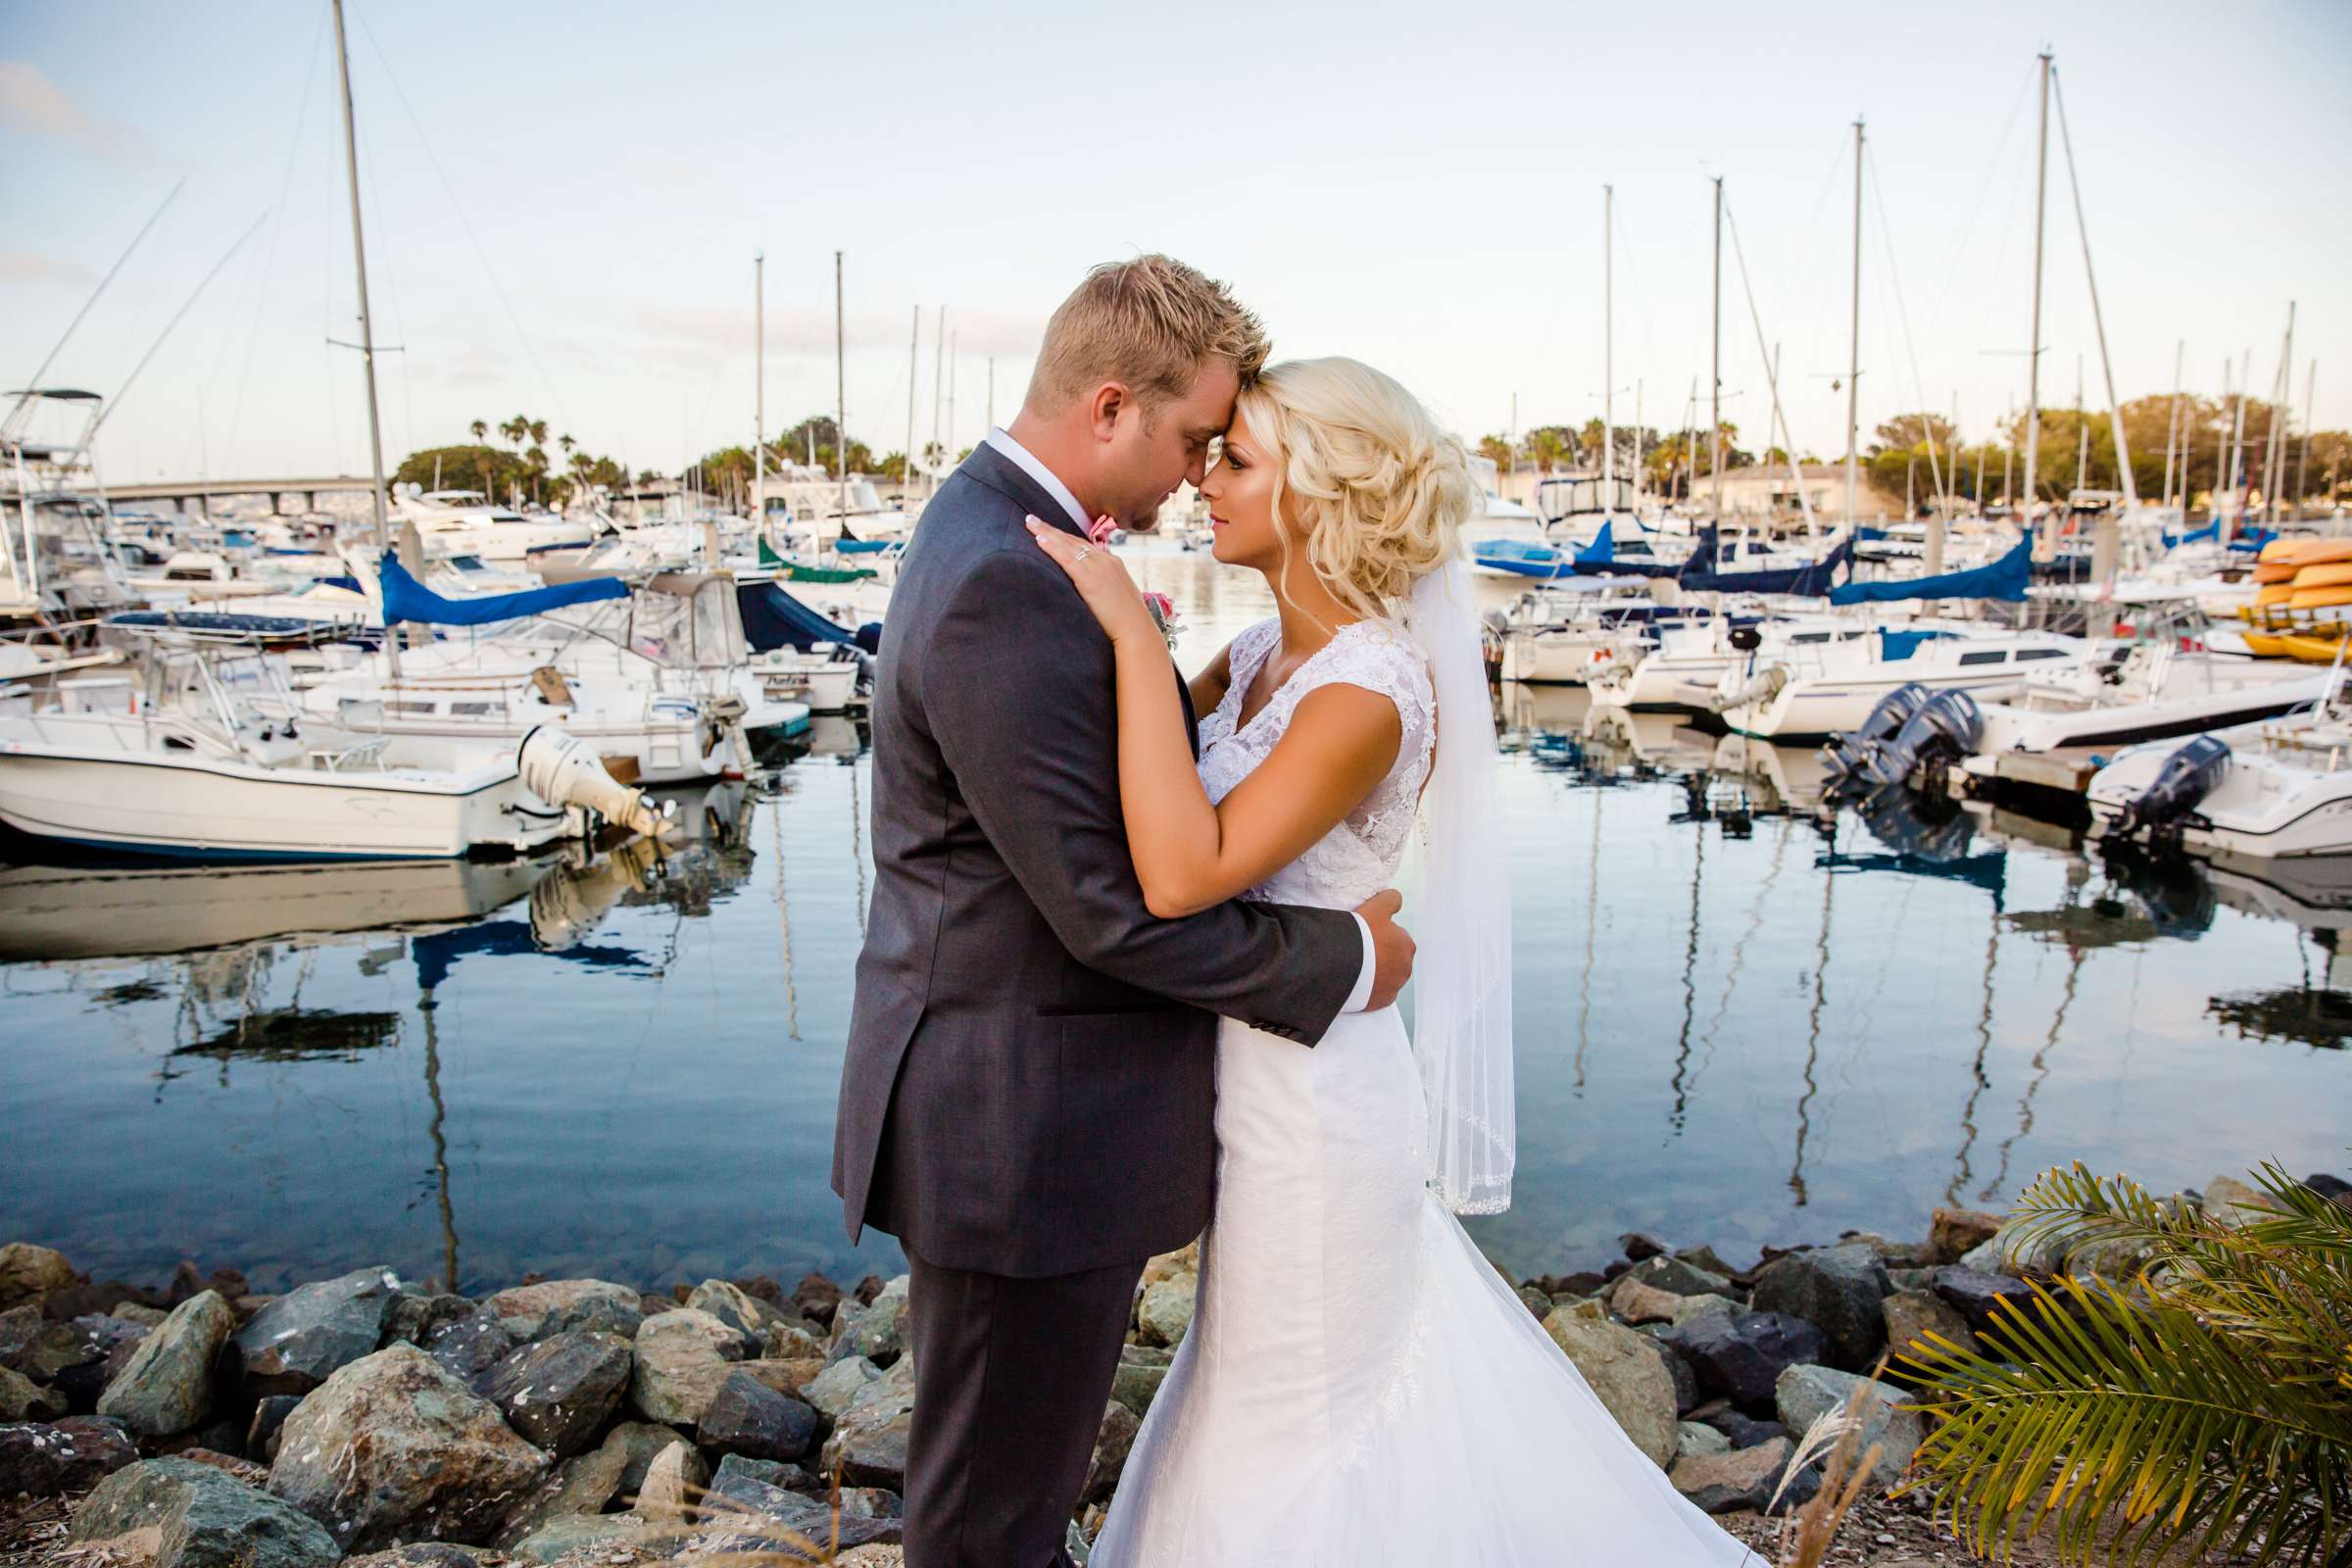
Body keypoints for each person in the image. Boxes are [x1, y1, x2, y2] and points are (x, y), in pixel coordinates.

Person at [1028, 356, 1763, 1564]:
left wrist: (1120, 618)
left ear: (1321, 496)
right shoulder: (1261, 651)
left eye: (1241, 461)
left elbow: (1180, 870)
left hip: (1315, 1117)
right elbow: (1142, 781)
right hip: (1251, 1086)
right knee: (1254, 1398)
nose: (1207, 478)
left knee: (1299, 1417)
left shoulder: (1367, 691)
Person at [832, 257, 1416, 1568]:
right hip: (1021, 1128)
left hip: (1029, 1113)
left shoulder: (997, 538)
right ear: (1111, 408)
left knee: (1004, 1500)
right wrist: (1348, 953)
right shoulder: (1008, 579)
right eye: (1193, 437)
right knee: (991, 1526)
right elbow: (1112, 911)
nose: (1193, 474)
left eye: (1230, 451)